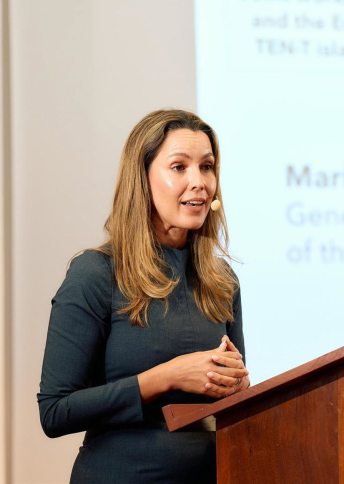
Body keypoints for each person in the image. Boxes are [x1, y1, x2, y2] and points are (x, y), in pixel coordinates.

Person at [37, 109, 249, 483]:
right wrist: (166, 377)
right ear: (142, 179)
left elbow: (229, 400)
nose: (199, 182)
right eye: (179, 167)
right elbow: (55, 411)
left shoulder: (222, 280)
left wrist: (239, 386)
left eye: (207, 167)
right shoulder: (96, 272)